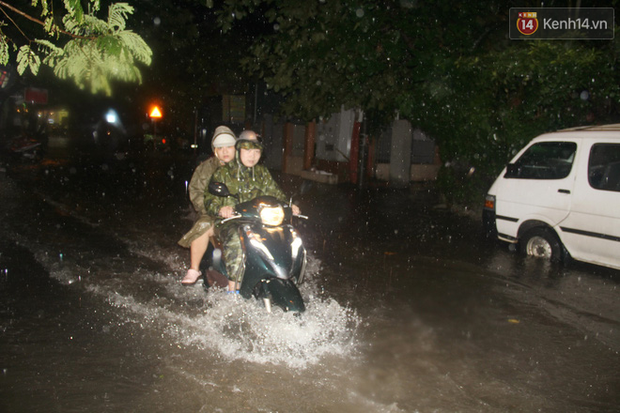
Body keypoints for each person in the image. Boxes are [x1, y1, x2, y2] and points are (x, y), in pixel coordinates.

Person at [204, 130, 301, 292]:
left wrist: (289, 205)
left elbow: (275, 193)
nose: (252, 156)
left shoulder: (262, 173)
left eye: (256, 151)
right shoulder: (224, 172)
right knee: (236, 238)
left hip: (258, 220)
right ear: (239, 150)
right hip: (231, 221)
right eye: (248, 150)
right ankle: (233, 288)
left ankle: (285, 274)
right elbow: (209, 198)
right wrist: (221, 209)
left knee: (287, 233)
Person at [178, 126, 236, 285]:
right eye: (220, 147)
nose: (225, 151)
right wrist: (212, 209)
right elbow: (195, 191)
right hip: (212, 214)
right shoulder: (205, 168)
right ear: (215, 150)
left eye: (229, 147)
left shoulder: (244, 168)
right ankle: (194, 268)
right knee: (204, 225)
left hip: (240, 214)